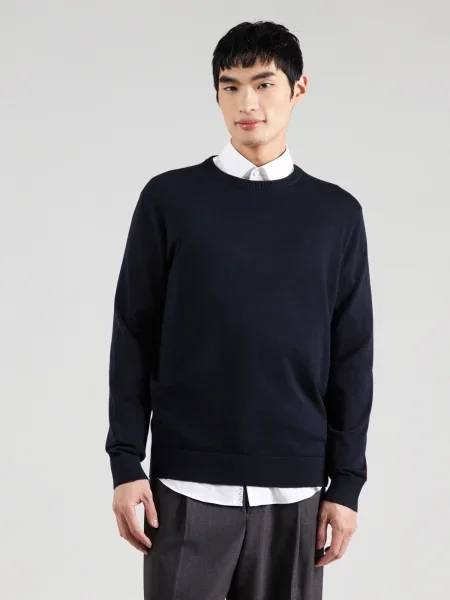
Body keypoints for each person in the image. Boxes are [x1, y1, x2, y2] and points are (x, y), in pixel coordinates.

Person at [105, 20, 374, 600]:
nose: (247, 103)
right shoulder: (169, 200)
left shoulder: (336, 215)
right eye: (231, 86)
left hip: (297, 491)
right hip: (183, 487)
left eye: (264, 84)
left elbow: (351, 355)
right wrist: (125, 462)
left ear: (299, 88)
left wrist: (347, 484)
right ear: (216, 94)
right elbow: (134, 334)